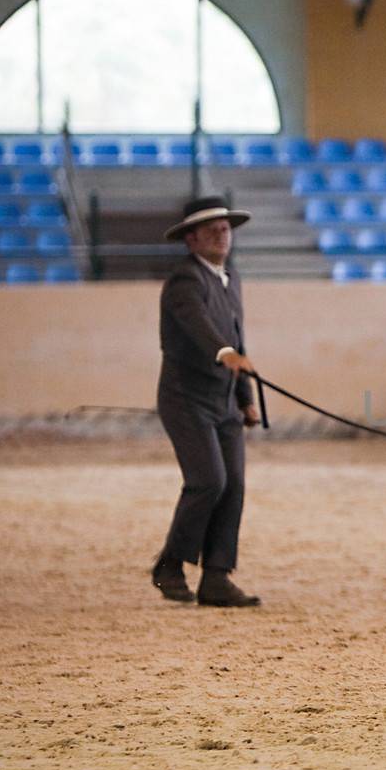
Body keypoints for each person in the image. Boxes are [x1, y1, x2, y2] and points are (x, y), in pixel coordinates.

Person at [150, 195, 263, 607]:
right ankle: (170, 563)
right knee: (208, 481)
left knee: (233, 485)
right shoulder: (184, 281)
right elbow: (199, 327)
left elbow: (238, 338)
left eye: (225, 227)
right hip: (185, 399)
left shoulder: (230, 279)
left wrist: (245, 396)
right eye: (212, 229)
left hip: (224, 401)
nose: (222, 234)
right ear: (192, 239)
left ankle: (217, 576)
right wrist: (223, 354)